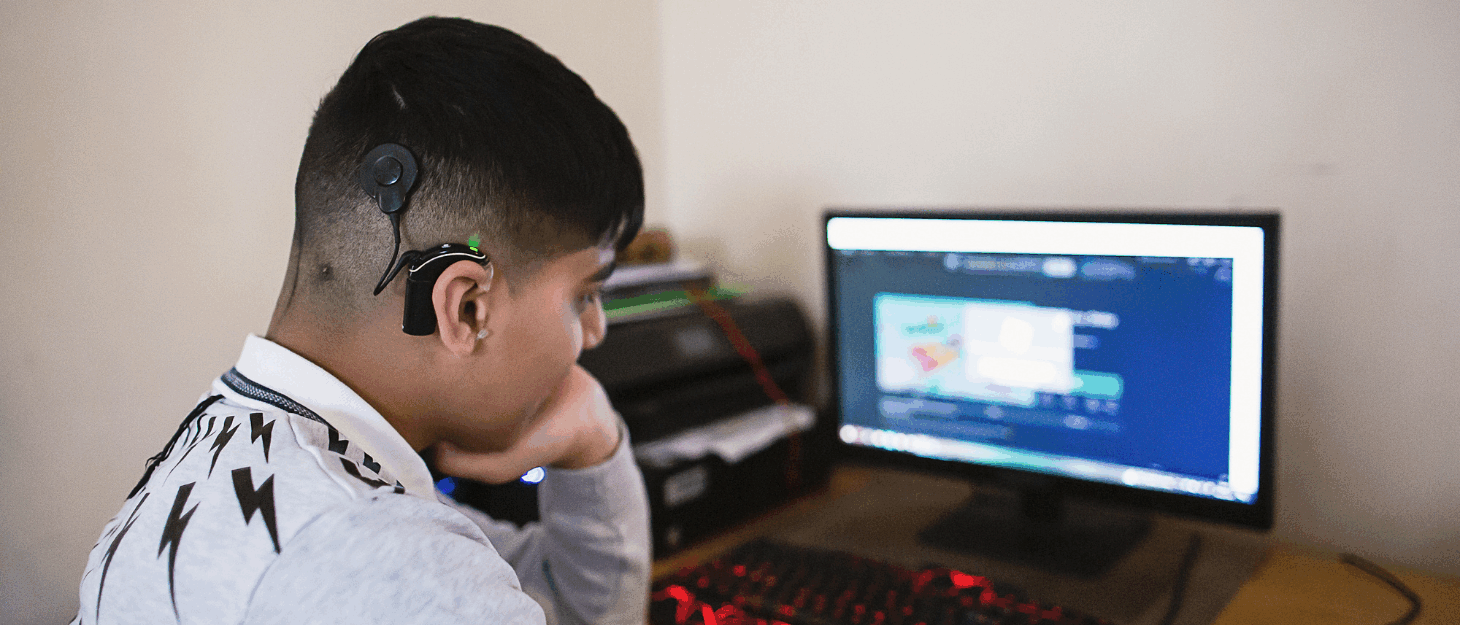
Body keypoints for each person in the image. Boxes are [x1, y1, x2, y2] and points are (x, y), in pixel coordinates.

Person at [73, 17, 650, 624]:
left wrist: (591, 441)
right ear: (465, 306)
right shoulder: (383, 568)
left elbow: (561, 608)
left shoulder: (224, 461)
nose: (594, 331)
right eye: (584, 295)